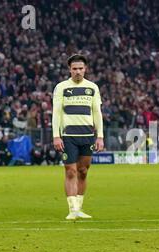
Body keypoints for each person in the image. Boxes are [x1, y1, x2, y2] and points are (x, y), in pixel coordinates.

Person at [52, 54, 104, 220]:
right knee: (70, 171)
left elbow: (97, 112)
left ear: (85, 69)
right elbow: (56, 113)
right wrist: (56, 136)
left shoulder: (92, 88)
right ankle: (72, 209)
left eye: (81, 68)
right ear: (69, 69)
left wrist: (100, 136)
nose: (78, 72)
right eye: (74, 69)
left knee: (83, 171)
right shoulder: (61, 87)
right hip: (68, 136)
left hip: (87, 135)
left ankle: (79, 208)